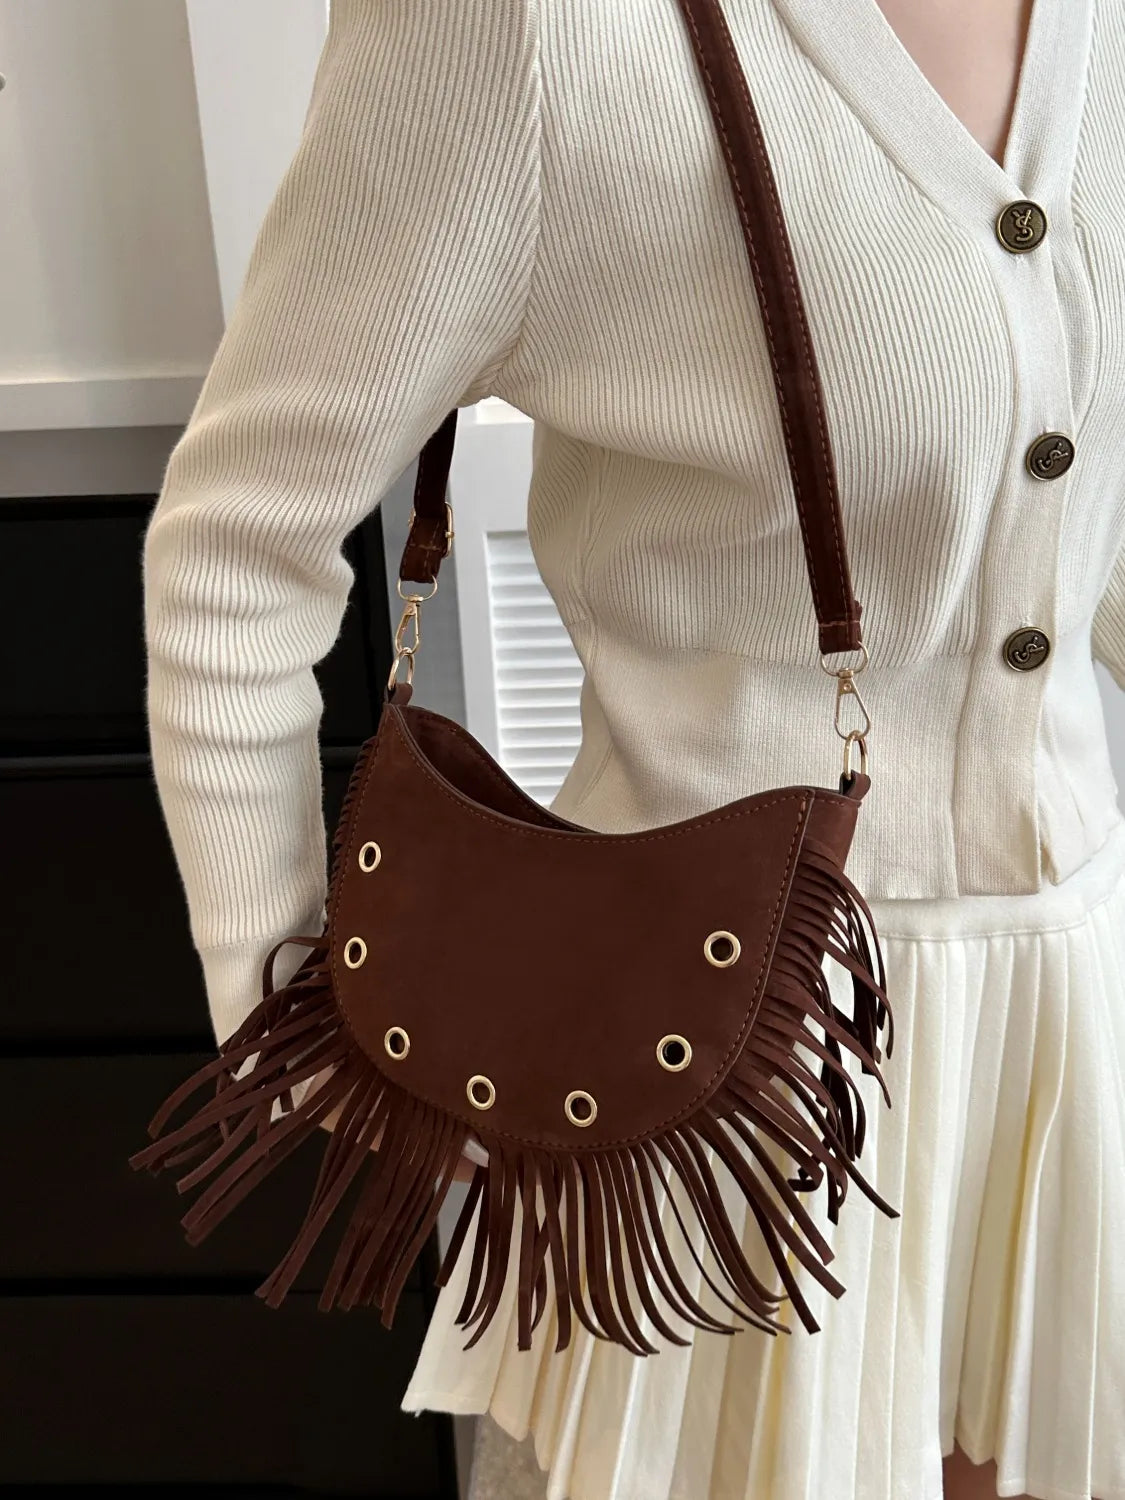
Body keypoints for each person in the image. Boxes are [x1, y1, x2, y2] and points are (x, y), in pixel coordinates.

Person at [141, 0, 1125, 1497]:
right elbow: (239, 544)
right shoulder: (530, 31)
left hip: (1070, 1017)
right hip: (711, 1064)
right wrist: (299, 1007)